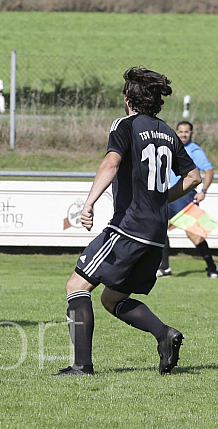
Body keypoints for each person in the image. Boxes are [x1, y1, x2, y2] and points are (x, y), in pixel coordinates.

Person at [54, 67, 201, 376]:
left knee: (77, 285)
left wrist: (89, 202)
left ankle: (81, 367)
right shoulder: (168, 132)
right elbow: (193, 177)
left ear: (128, 98)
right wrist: (162, 198)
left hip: (128, 226)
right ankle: (165, 334)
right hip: (156, 234)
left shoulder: (125, 124)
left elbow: (111, 161)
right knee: (112, 298)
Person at [157, 121, 217, 278]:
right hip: (169, 195)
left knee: (191, 233)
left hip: (183, 196)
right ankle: (166, 268)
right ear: (176, 132)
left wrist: (203, 190)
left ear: (191, 133)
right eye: (181, 131)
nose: (183, 134)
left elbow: (209, 171)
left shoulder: (195, 150)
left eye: (187, 132)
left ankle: (211, 268)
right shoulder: (171, 146)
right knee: (164, 229)